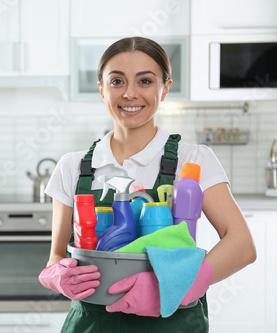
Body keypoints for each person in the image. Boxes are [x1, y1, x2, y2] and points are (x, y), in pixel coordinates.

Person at [38, 36, 256, 332]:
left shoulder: (193, 159)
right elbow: (57, 255)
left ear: (165, 88)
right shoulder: (73, 167)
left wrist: (176, 285)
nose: (129, 94)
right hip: (92, 324)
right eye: (116, 81)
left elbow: (242, 244)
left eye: (144, 81)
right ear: (101, 88)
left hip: (172, 322)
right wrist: (56, 275)